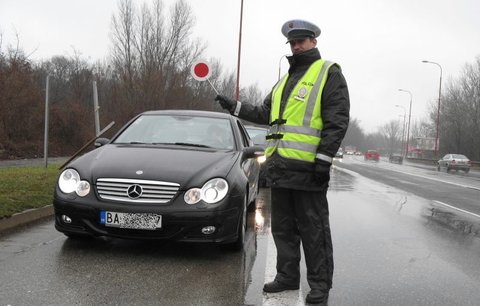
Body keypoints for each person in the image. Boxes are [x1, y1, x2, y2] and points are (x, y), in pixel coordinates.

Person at [215, 19, 349, 305]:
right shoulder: (284, 82)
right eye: (292, 42)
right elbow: (265, 113)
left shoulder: (328, 73)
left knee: (314, 231)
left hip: (310, 170)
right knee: (283, 229)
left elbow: (337, 121)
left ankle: (320, 286)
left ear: (313, 41)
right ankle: (287, 276)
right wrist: (234, 106)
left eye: (301, 41)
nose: (296, 46)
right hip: (280, 169)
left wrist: (323, 161)